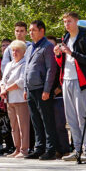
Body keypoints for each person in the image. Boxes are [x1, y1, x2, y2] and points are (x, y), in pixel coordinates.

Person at [53, 12, 86, 161]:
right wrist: (58, 54)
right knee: (70, 118)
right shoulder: (65, 38)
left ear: (77, 21)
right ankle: (77, 149)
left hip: (81, 81)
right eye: (64, 22)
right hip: (67, 80)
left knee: (83, 116)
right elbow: (62, 62)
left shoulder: (85, 37)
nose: (66, 24)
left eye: (69, 21)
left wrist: (71, 53)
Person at [23, 20, 58, 160]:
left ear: (42, 31)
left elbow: (51, 69)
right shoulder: (30, 47)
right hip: (31, 89)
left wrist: (47, 89)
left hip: (42, 89)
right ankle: (39, 147)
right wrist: (25, 87)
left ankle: (50, 149)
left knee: (47, 120)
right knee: (36, 120)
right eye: (30, 30)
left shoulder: (48, 46)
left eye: (33, 30)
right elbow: (26, 68)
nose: (31, 33)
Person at [0, 40, 29, 157]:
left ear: (23, 52)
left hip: (20, 98)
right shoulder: (8, 64)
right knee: (14, 126)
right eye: (13, 50)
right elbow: (3, 80)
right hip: (9, 99)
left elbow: (21, 81)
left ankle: (24, 149)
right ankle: (16, 148)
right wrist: (2, 88)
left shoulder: (25, 63)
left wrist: (6, 89)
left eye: (17, 50)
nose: (15, 53)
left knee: (23, 126)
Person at [46, 35, 71, 156]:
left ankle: (65, 149)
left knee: (60, 125)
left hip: (59, 96)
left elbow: (64, 76)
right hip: (46, 96)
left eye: (52, 45)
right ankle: (55, 149)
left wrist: (56, 91)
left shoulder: (61, 60)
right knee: (50, 125)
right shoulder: (45, 60)